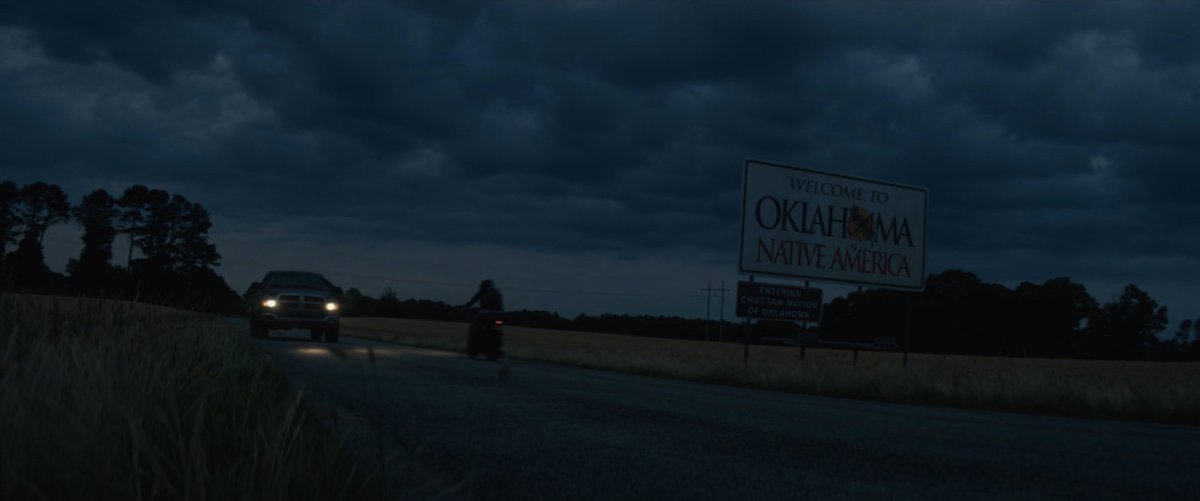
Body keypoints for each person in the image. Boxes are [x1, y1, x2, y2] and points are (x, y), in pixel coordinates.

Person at [462, 279, 504, 353]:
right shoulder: (496, 292)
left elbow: (473, 301)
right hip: (497, 314)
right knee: (498, 328)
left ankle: (473, 345)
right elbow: (501, 305)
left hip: (485, 314)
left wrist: (465, 307)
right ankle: (500, 346)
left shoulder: (482, 292)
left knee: (475, 326)